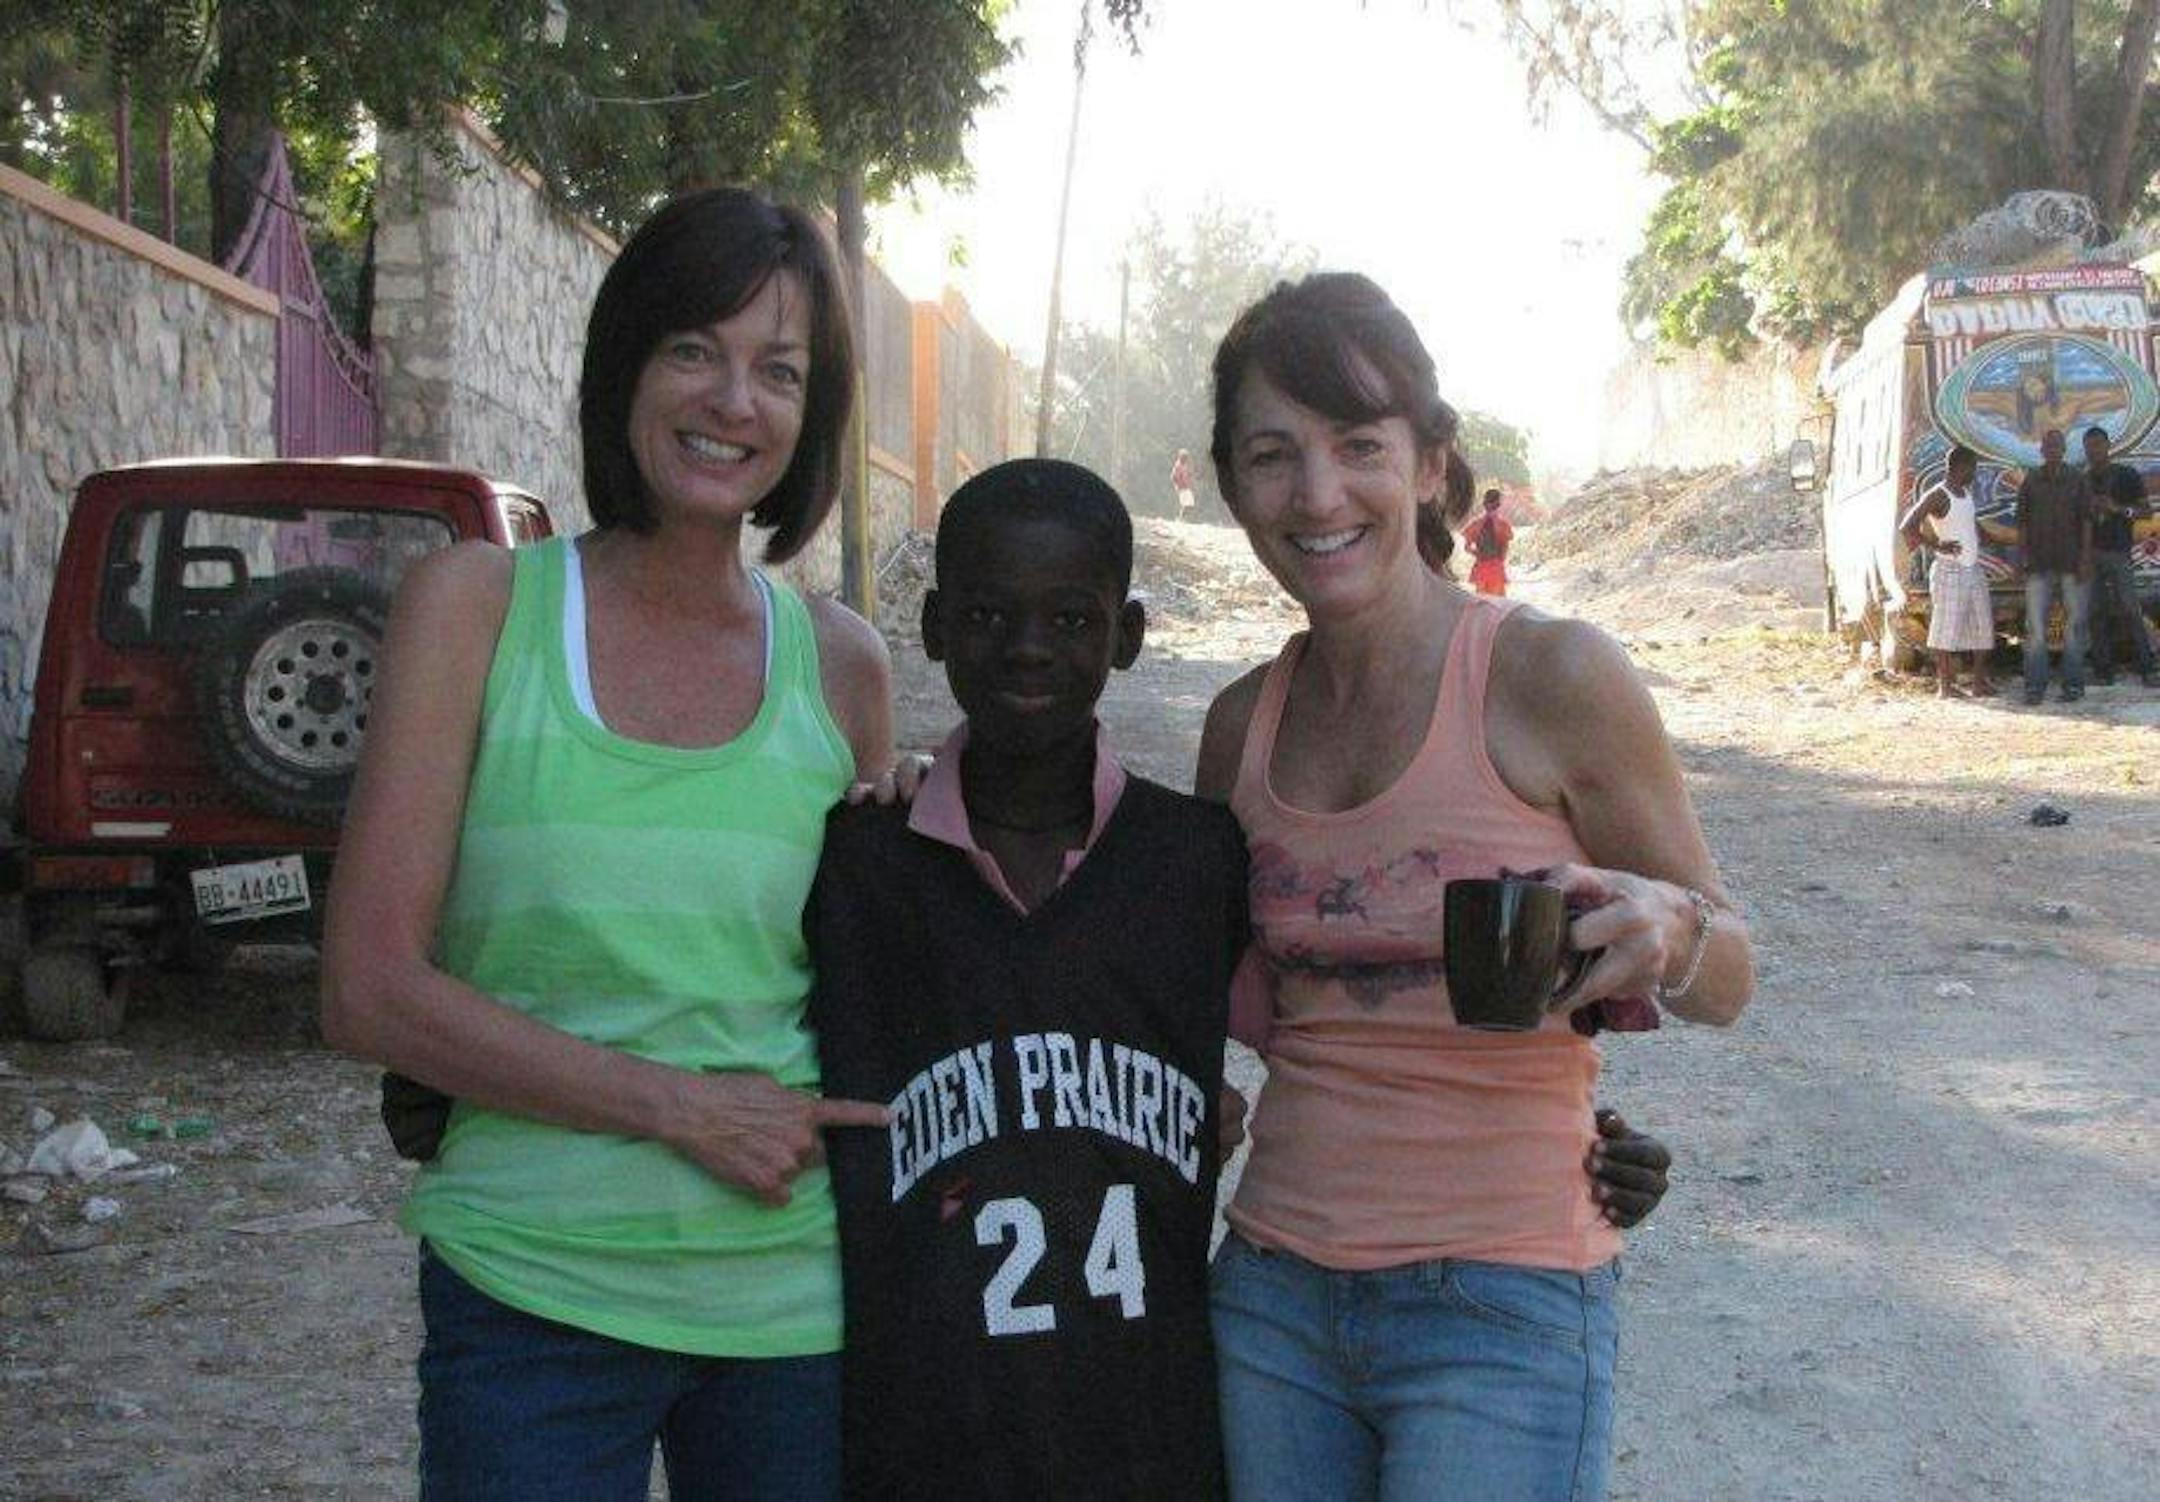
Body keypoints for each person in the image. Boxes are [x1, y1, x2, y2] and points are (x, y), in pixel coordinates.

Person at [319, 188, 896, 1501]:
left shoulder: (843, 665)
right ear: (624, 363)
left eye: (780, 370)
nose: (733, 400)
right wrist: (682, 1107)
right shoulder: (474, 610)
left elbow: (879, 983)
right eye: (695, 349)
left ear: (812, 413)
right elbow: (367, 988)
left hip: (793, 1309)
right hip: (529, 1293)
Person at [1196, 271, 1753, 1502]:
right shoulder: (1240, 726)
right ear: (1231, 485)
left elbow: (1732, 975)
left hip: (1503, 1303)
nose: (1319, 494)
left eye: (1360, 444)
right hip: (1272, 1298)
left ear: (1432, 465)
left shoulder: (1553, 676)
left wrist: (1672, 927)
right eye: (1274, 455)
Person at [810, 458, 1244, 1498]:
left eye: (1071, 618)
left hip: (1147, 1437)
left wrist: (1571, 1128)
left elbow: (1344, 1035)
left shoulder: (1198, 860)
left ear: (1127, 635)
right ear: (934, 627)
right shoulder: (859, 860)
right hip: (923, 1439)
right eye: (987, 614)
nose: (1028, 647)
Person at [1899, 445, 1999, 698]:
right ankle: (1945, 686)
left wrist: (1986, 536)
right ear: (1960, 467)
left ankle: (1978, 683)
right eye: (1972, 468)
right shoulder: (1938, 495)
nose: (1974, 474)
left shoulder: (1964, 493)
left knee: (1982, 627)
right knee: (1946, 628)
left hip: (1972, 566)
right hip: (1950, 570)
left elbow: (1969, 521)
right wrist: (1936, 545)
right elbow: (1907, 526)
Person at [2013, 427, 2095, 704]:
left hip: (2073, 562)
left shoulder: (2077, 479)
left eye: (2057, 445)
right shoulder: (2031, 481)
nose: (2052, 450)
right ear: (2041, 450)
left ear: (2064, 449)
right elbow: (2022, 522)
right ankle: (2035, 687)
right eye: (2048, 446)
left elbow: (2087, 521)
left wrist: (2086, 559)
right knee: (2035, 628)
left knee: (2075, 626)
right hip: (2039, 563)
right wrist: (2021, 558)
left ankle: (2073, 686)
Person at [2079, 425, 2159, 687]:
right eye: (2089, 447)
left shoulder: (2126, 475)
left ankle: (2147, 667)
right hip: (2092, 553)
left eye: (2097, 445)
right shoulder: (2083, 480)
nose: (2093, 451)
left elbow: (2146, 512)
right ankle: (2103, 670)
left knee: (2130, 609)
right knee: (2096, 612)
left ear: (2108, 446)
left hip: (2119, 553)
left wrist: (2118, 509)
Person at [1465, 487, 1513, 596]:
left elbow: (1467, 547)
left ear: (1484, 504)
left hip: (1481, 568)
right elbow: (1504, 550)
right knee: (1497, 603)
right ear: (1499, 505)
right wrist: (1498, 560)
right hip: (1496, 568)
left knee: (1482, 602)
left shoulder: (1476, 524)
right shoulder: (1503, 525)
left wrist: (1478, 554)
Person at [1172, 447, 1198, 520]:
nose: (1186, 458)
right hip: (1182, 488)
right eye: (1185, 457)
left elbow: (1186, 474)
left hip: (1186, 487)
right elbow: (1174, 476)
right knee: (1186, 504)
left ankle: (1183, 518)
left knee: (1190, 504)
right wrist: (1177, 485)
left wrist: (1190, 475)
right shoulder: (1178, 466)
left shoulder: (1184, 465)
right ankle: (1181, 519)